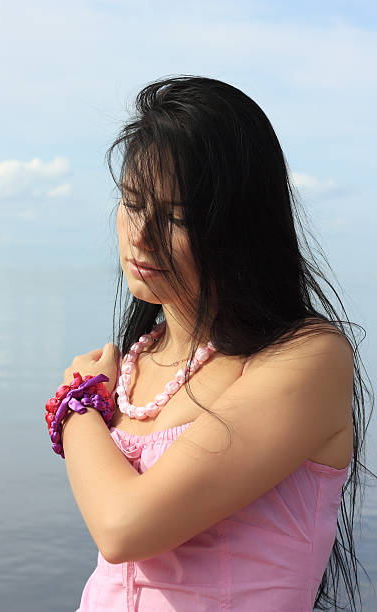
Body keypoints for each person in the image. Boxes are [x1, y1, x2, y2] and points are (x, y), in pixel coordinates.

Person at [59, 75, 375, 611]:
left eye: (177, 215)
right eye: (133, 203)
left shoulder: (306, 357)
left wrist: (75, 402)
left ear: (242, 226)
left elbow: (124, 527)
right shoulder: (139, 358)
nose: (141, 235)